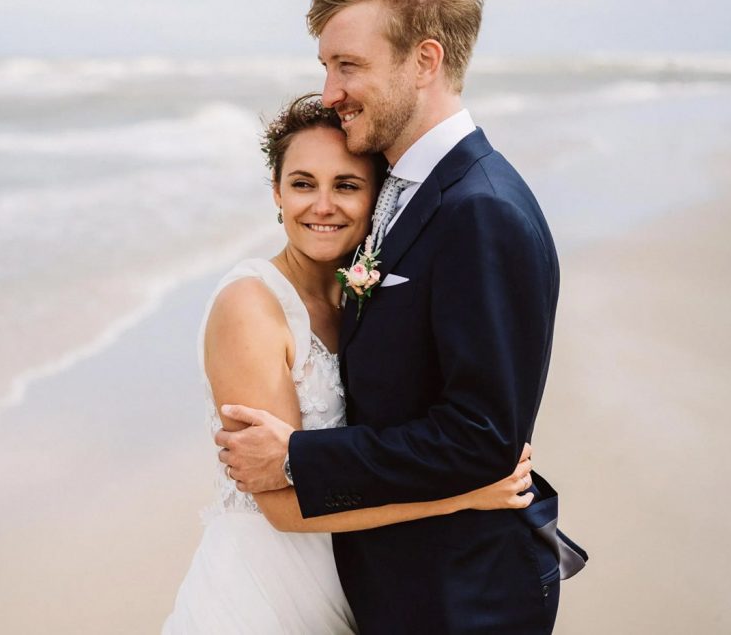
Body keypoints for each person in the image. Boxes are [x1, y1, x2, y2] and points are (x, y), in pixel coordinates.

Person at [216, 0, 587, 634]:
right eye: (325, 66)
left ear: (424, 61)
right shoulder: (401, 186)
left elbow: (482, 436)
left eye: (348, 66)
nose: (330, 91)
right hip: (396, 584)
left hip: (460, 597)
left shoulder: (480, 208)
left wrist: (297, 456)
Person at [163, 94, 536, 634]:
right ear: (276, 192)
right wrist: (463, 495)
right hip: (263, 595)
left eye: (346, 185)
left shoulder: (361, 299)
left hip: (356, 587)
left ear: (375, 196)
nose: (322, 206)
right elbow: (283, 508)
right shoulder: (249, 306)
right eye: (302, 184)